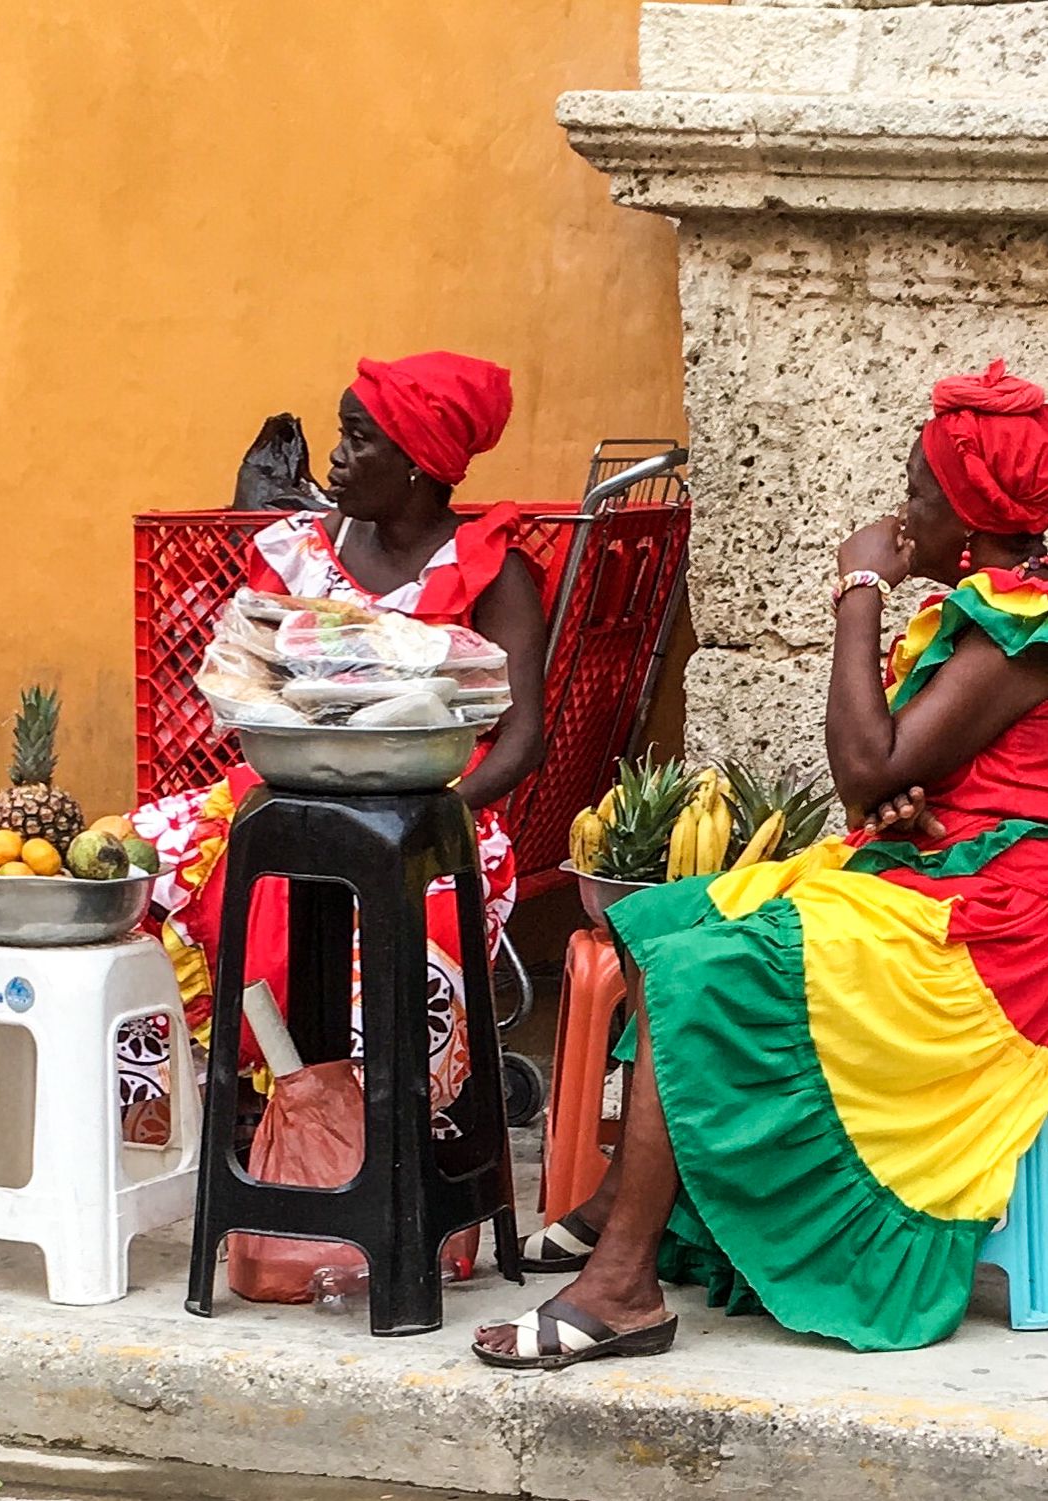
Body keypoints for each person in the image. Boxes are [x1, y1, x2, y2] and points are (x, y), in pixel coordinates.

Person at [474, 359, 1048, 1368]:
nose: (900, 508)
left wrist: (857, 587)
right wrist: (908, 795)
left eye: (920, 490)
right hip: (937, 867)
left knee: (703, 974)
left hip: (994, 925)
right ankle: (621, 1206)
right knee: (662, 926)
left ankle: (621, 1286)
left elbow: (864, 762)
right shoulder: (991, 611)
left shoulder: (1019, 630)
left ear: (973, 517)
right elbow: (895, 770)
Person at [130, 352, 546, 1123]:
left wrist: (436, 814)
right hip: (292, 782)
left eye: (359, 439)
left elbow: (523, 738)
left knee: (407, 908)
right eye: (342, 434)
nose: (336, 458)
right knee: (139, 860)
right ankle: (242, 1090)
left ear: (418, 461)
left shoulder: (489, 569)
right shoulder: (303, 552)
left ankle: (380, 1117)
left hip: (438, 803)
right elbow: (249, 681)